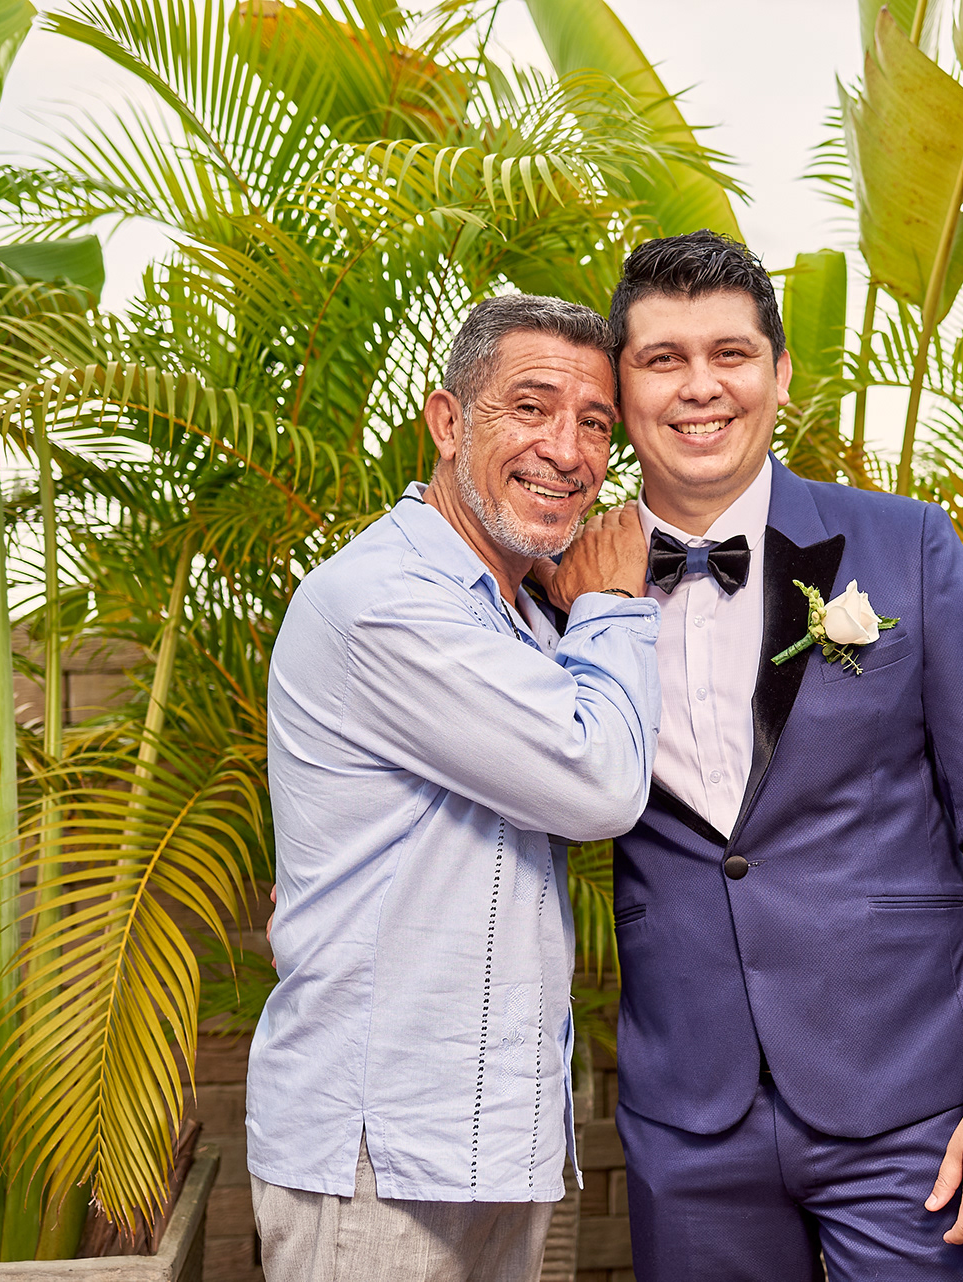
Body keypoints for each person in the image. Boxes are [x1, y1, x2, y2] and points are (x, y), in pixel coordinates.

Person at [544, 231, 963, 1280]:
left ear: (780, 373)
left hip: (915, 1108)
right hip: (687, 1118)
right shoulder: (561, 585)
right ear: (623, 388)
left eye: (731, 354)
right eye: (663, 359)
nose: (701, 386)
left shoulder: (908, 548)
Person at [248, 294, 659, 1282]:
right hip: (377, 1155)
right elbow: (602, 780)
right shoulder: (387, 601)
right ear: (446, 421)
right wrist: (611, 599)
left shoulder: (520, 615)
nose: (566, 450)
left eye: (594, 423)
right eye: (531, 407)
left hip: (492, 1145)